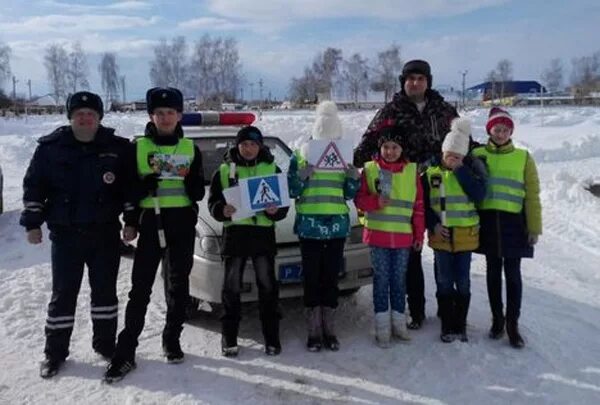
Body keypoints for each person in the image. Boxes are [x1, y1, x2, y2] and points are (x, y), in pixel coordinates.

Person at [20, 91, 131, 378]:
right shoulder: (50, 149)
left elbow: (129, 189)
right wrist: (32, 223)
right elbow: (34, 187)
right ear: (70, 117)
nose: (85, 118)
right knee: (63, 296)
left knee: (105, 295)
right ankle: (54, 353)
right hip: (66, 236)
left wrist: (131, 221)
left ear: (99, 118)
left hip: (105, 234)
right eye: (79, 114)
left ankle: (106, 346)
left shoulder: (117, 148)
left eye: (90, 114)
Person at [104, 87, 205, 383]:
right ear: (151, 115)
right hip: (151, 222)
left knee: (178, 286)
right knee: (141, 288)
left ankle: (171, 338)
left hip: (181, 223)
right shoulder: (137, 147)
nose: (165, 118)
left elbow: (198, 190)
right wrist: (134, 211)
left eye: (170, 113)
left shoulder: (190, 149)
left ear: (179, 115)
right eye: (159, 113)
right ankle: (126, 351)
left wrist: (188, 185)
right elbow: (125, 188)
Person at [208, 126, 288, 357]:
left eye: (253, 144)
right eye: (244, 144)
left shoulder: (272, 168)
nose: (249, 149)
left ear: (260, 146)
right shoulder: (224, 171)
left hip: (262, 236)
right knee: (231, 288)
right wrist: (222, 209)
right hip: (235, 236)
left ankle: (272, 338)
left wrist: (275, 211)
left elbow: (283, 206)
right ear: (237, 146)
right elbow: (213, 204)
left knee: (268, 287)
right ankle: (229, 337)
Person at [288, 101, 361, 352]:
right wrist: (301, 176)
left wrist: (353, 179)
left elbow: (349, 194)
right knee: (311, 278)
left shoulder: (344, 156)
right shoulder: (300, 154)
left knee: (331, 278)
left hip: (337, 227)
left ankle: (329, 329)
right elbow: (291, 189)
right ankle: (313, 331)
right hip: (309, 227)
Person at [472, 107, 542, 349]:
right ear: (489, 130)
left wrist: (534, 227)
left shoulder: (523, 157)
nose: (500, 133)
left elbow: (532, 195)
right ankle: (497, 320)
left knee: (513, 275)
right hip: (489, 222)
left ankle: (513, 324)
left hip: (515, 223)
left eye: (505, 129)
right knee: (493, 273)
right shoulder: (478, 154)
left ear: (511, 131)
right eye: (496, 129)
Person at [354, 126, 424, 348]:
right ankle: (382, 326)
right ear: (379, 148)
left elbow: (419, 207)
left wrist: (419, 234)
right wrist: (375, 203)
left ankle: (399, 323)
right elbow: (359, 200)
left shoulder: (412, 172)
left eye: (394, 147)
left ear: (401, 149)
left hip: (403, 238)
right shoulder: (370, 170)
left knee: (398, 281)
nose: (390, 151)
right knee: (381, 280)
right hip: (378, 237)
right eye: (386, 147)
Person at [423, 117, 487, 343]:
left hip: (465, 237)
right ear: (442, 153)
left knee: (463, 281)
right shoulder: (431, 174)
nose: (452, 159)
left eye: (457, 156)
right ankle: (447, 324)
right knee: (443, 280)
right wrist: (433, 225)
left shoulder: (469, 172)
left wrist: (461, 170)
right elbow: (424, 205)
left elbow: (479, 195)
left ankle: (460, 324)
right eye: (449, 155)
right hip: (441, 236)